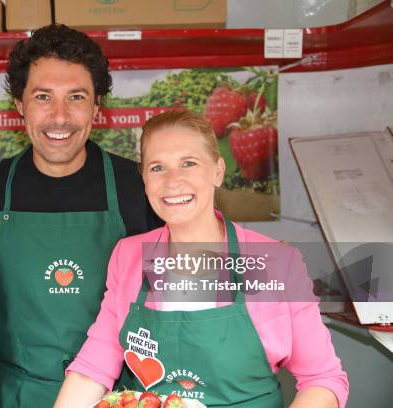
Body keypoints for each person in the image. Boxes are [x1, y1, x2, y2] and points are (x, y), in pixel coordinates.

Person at [55, 110, 349, 407]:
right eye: (157, 167)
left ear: (218, 172)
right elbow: (94, 368)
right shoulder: (128, 256)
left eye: (189, 163)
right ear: (143, 177)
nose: (173, 181)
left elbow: (322, 379)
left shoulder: (275, 263)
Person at [0, 24, 159, 407]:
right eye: (43, 96)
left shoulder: (140, 187)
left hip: (120, 396)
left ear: (97, 106)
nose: (60, 116)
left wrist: (261, 267)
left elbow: (198, 284)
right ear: (19, 104)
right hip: (18, 396)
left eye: (77, 97)